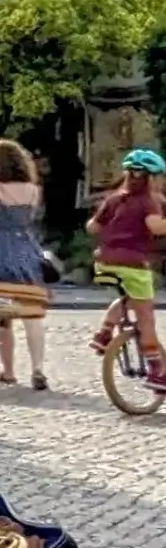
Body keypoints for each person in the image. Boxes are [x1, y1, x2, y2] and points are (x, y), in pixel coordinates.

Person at [0, 141, 51, 391]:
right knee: (32, 313)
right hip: (27, 251)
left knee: (3, 314)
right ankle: (38, 369)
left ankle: (8, 370)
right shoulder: (33, 191)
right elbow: (27, 221)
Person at [95, 149, 164, 391]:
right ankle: (158, 372)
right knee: (146, 319)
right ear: (153, 178)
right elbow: (155, 226)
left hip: (104, 262)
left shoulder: (114, 198)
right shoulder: (149, 200)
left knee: (127, 299)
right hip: (133, 265)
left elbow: (93, 226)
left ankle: (104, 333)